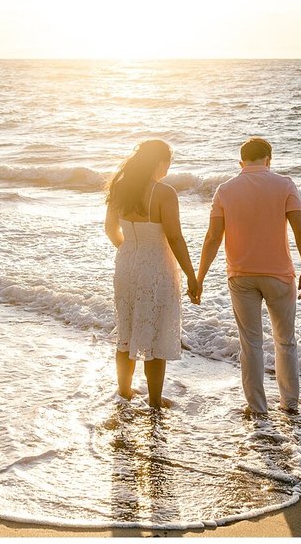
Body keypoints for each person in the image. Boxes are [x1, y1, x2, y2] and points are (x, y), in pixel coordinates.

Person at [196, 137, 301, 414]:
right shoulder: (284, 184)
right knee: (285, 341)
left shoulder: (225, 190)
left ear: (241, 162)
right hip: (280, 275)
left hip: (241, 276)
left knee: (251, 344)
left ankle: (258, 408)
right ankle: (290, 404)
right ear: (269, 159)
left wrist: (199, 277)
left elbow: (213, 237)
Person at [104, 139, 200, 409]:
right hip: (156, 265)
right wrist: (192, 276)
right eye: (168, 160)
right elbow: (175, 237)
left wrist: (129, 250)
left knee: (127, 330)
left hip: (125, 264)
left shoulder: (120, 188)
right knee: (155, 336)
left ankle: (124, 393)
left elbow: (110, 228)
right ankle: (155, 404)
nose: (169, 166)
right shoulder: (164, 193)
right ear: (159, 162)